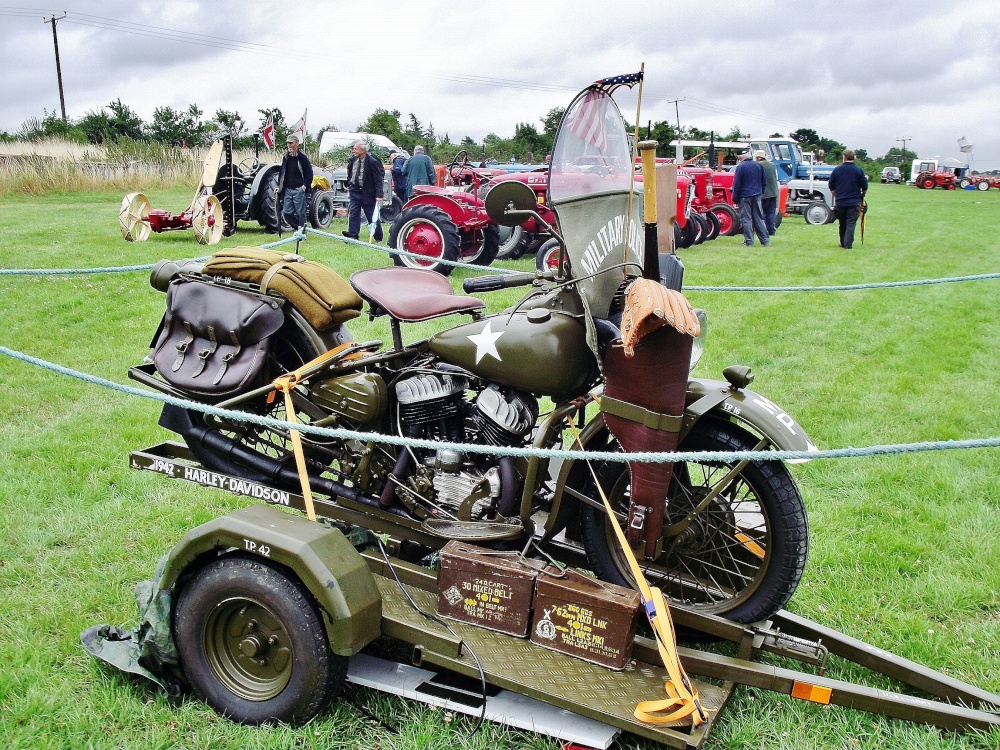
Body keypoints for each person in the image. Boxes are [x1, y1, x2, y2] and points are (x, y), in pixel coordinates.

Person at [343, 140, 384, 242]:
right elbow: (350, 173)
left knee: (371, 215)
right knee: (353, 213)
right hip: (354, 191)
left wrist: (379, 194)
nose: (353, 150)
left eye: (356, 149)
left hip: (367, 192)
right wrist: (349, 183)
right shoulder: (352, 160)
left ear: (362, 150)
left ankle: (378, 236)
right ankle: (353, 235)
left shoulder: (372, 162)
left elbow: (378, 179)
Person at [828, 150, 869, 249]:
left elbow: (831, 185)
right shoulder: (859, 170)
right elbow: (864, 185)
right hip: (854, 201)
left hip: (841, 201)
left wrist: (836, 194)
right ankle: (848, 244)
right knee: (851, 223)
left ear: (844, 157)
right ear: (853, 158)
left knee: (842, 223)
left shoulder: (837, 170)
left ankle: (842, 242)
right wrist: (862, 195)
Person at [731, 151, 769, 247]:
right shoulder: (758, 166)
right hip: (757, 194)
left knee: (746, 219)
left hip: (745, 195)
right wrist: (761, 192)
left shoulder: (741, 167)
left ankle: (749, 241)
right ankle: (765, 241)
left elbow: (737, 184)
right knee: (759, 218)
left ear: (741, 158)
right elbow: (764, 181)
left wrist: (735, 198)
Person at [278, 134, 313, 229]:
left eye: (291, 143)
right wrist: (279, 186)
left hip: (299, 189)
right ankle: (299, 227)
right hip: (288, 190)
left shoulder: (302, 158)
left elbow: (309, 174)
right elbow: (282, 173)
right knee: (286, 212)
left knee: (301, 213)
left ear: (297, 144)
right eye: (288, 143)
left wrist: (305, 186)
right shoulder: (286, 158)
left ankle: (302, 231)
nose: (289, 145)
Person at [756, 150, 780, 236]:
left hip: (764, 193)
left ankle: (764, 230)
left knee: (762, 213)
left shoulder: (759, 165)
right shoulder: (772, 165)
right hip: (773, 192)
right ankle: (772, 230)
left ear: (758, 158)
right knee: (771, 213)